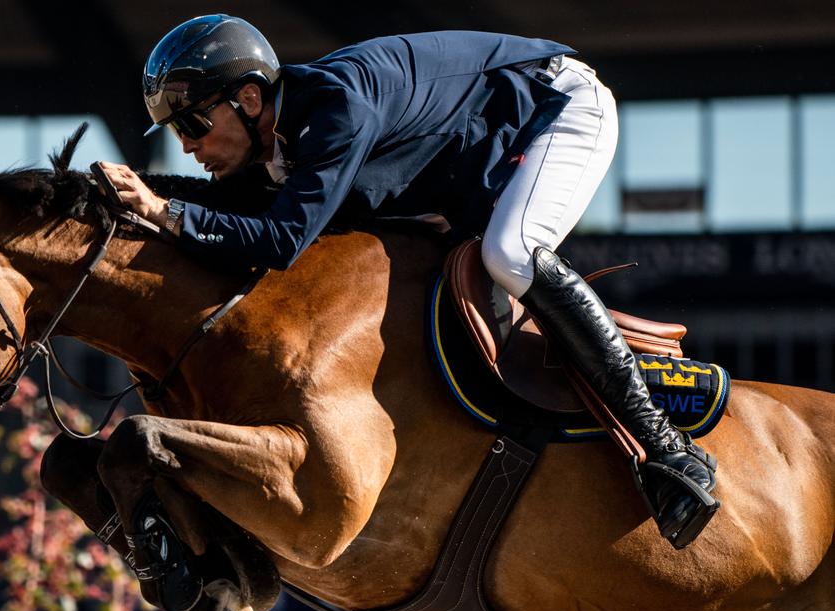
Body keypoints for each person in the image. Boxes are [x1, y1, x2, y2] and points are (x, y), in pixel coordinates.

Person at [97, 15, 719, 553]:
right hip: (475, 152)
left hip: (556, 106)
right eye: (177, 132)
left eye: (194, 123)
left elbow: (280, 241)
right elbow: (239, 214)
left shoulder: (335, 108)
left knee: (511, 253)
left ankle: (664, 446)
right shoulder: (282, 138)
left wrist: (163, 210)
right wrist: (143, 197)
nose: (187, 146)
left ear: (251, 99)